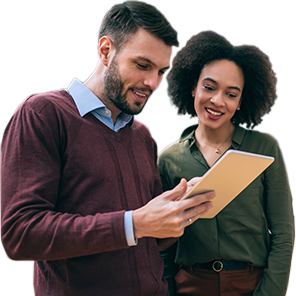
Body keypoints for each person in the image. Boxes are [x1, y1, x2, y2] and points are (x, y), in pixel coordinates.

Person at [0, 3, 215, 296]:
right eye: (142, 65)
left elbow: (149, 235)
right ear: (105, 51)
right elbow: (20, 234)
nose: (152, 83)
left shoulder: (141, 136)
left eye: (161, 71)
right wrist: (133, 224)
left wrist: (178, 210)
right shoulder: (43, 115)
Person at [157, 28, 295, 296]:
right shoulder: (169, 160)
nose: (217, 101)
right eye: (209, 87)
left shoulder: (265, 148)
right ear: (193, 86)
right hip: (191, 286)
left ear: (242, 101)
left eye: (231, 94)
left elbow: (283, 235)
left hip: (252, 286)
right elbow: (165, 245)